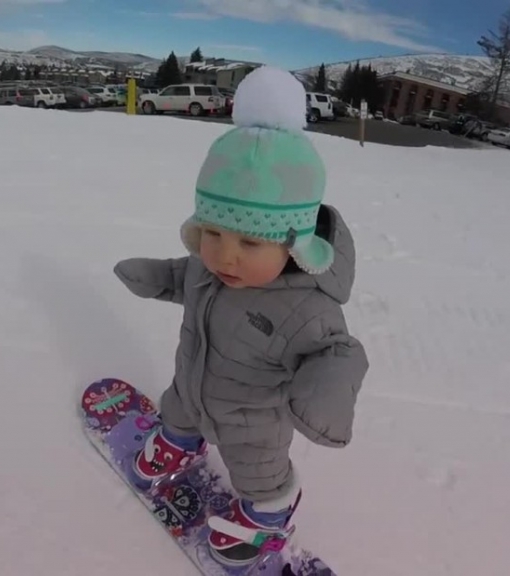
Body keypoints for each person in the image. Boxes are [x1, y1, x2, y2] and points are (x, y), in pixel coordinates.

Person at [113, 66, 369, 567]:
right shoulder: (209, 269)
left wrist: (325, 392)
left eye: (249, 242)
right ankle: (179, 443)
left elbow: (338, 352)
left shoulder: (305, 306)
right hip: (192, 385)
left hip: (253, 420)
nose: (224, 257)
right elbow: (184, 275)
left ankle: (272, 510)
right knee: (178, 409)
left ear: (294, 243)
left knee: (259, 471)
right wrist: (157, 277)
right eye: (212, 234)